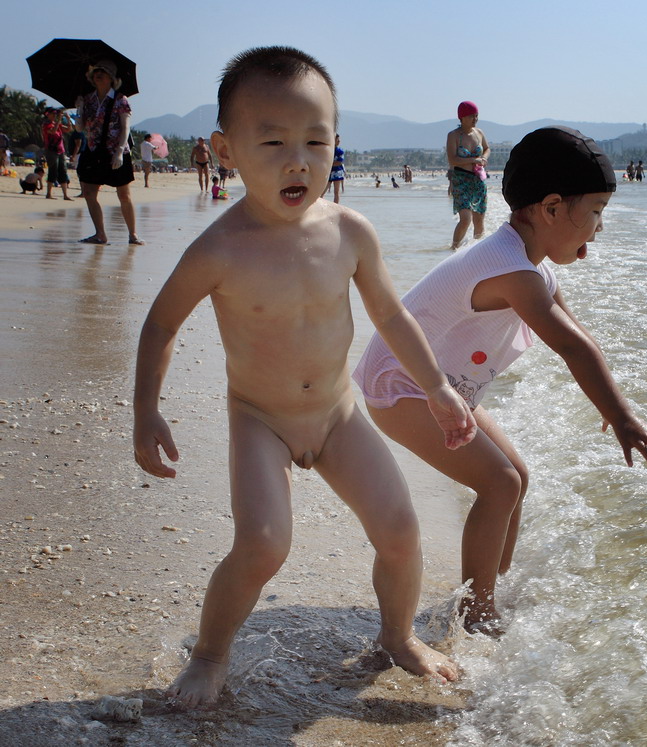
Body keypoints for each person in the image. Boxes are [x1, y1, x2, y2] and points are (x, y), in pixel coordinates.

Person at [132, 46, 474, 709]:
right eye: (273, 142)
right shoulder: (219, 248)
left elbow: (393, 315)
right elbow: (160, 324)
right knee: (262, 543)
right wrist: (147, 411)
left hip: (337, 414)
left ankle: (399, 635)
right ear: (225, 149)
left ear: (336, 145)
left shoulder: (350, 231)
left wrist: (437, 386)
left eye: (316, 141)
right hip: (260, 418)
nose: (298, 160)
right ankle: (210, 653)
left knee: (400, 530)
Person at [354, 126, 647, 632]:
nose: (599, 228)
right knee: (497, 483)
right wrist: (622, 417)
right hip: (403, 384)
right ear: (549, 207)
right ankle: (476, 612)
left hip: (441, 387)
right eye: (595, 212)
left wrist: (613, 400)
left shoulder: (531, 267)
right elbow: (571, 347)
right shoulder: (512, 271)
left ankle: (487, 586)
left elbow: (579, 337)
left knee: (516, 479)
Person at [74, 60, 144, 245]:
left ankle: (133, 234)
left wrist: (120, 151)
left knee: (123, 195)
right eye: (96, 72)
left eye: (103, 72)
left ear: (112, 79)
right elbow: (80, 127)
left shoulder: (121, 99)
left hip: (116, 150)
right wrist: (79, 109)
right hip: (93, 150)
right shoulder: (88, 100)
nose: (98, 75)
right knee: (89, 192)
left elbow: (125, 127)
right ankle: (100, 234)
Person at [446, 100, 490, 249]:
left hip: (478, 180)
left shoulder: (479, 133)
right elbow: (452, 159)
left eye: (476, 116)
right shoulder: (453, 136)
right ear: (462, 118)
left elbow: (487, 148)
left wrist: (484, 158)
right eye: (472, 116)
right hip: (461, 180)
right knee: (465, 219)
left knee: (479, 221)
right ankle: (454, 249)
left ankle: (478, 252)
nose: (475, 119)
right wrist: (473, 159)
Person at [41, 107, 74, 200]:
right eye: (53, 114)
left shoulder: (56, 124)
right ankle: (48, 193)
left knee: (63, 171)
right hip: (51, 150)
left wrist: (68, 119)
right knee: (53, 170)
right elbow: (53, 131)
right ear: (48, 114)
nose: (55, 115)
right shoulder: (46, 124)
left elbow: (68, 129)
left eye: (56, 114)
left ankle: (65, 194)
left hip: (60, 150)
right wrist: (59, 120)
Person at [323, 134, 345, 203]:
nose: (339, 141)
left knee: (336, 192)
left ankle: (336, 205)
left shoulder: (340, 151)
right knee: (323, 190)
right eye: (337, 140)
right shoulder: (328, 150)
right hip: (329, 171)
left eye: (339, 140)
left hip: (337, 172)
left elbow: (339, 162)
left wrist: (330, 163)